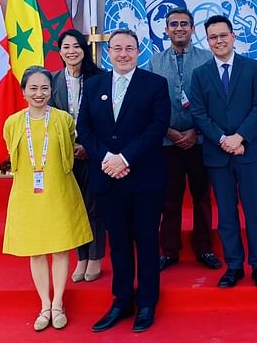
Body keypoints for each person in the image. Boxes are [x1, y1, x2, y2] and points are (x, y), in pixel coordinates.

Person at [77, 30, 170, 333]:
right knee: (117, 244)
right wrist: (106, 159)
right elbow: (85, 128)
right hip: (108, 179)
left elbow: (157, 127)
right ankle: (121, 300)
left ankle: (146, 302)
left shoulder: (155, 84)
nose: (123, 53)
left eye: (129, 48)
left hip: (143, 178)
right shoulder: (93, 85)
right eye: (117, 48)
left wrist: (125, 159)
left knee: (145, 241)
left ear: (138, 51)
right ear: (108, 52)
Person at [2, 66, 93, 332]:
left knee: (60, 247)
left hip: (59, 190)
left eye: (44, 88)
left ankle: (58, 303)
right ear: (24, 92)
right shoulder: (13, 123)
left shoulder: (63, 119)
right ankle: (44, 304)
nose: (39, 93)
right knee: (37, 249)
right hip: (28, 194)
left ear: (51, 91)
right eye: (33, 88)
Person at [189, 15, 257, 289]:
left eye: (223, 35)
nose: (219, 41)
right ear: (207, 40)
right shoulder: (200, 74)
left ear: (233, 36)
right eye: (213, 37)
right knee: (226, 213)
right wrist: (223, 139)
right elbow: (199, 114)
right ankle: (234, 265)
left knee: (254, 210)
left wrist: (239, 138)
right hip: (218, 154)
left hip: (249, 152)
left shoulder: (252, 67)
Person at [146, 8, 221, 272]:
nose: (179, 28)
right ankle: (169, 250)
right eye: (173, 24)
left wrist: (197, 132)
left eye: (184, 24)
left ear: (192, 29)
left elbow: (215, 100)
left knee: (201, 197)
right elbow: (147, 103)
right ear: (166, 29)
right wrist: (168, 131)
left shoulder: (207, 59)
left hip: (200, 141)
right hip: (167, 142)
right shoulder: (154, 62)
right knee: (169, 198)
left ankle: (204, 247)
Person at [49, 29, 106, 283]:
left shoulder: (100, 78)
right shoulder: (53, 80)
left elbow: (106, 119)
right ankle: (80, 257)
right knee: (73, 207)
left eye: (76, 46)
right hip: (65, 154)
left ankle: (95, 257)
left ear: (84, 49)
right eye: (66, 47)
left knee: (94, 207)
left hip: (93, 152)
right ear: (60, 51)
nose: (71, 51)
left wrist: (87, 146)